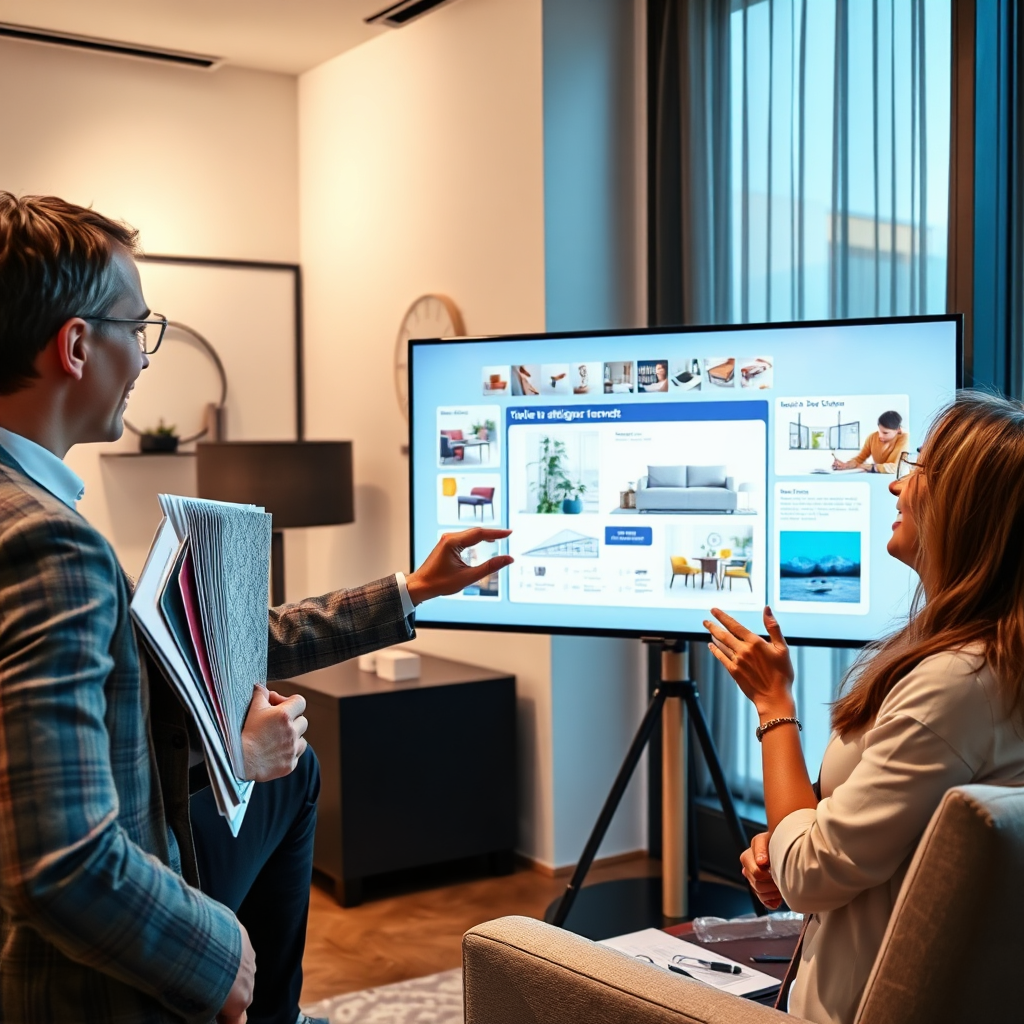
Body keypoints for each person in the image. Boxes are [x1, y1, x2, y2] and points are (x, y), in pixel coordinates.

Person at [0, 192, 512, 1024]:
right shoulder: (50, 545)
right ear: (78, 345)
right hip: (70, 982)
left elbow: (181, 658)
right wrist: (213, 945)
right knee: (291, 776)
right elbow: (57, 857)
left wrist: (409, 592)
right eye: (140, 328)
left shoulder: (28, 513)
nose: (146, 356)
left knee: (291, 772)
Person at [705, 391, 1024, 1024]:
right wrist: (788, 842)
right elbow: (847, 830)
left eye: (920, 469)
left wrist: (774, 704)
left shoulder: (954, 683)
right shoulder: (979, 658)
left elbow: (806, 874)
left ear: (963, 506)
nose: (895, 488)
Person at [831, 409, 907, 473]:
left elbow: (898, 467)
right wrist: (845, 465)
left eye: (885, 433)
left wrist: (871, 467)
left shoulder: (905, 438)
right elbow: (859, 459)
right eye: (879, 431)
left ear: (898, 430)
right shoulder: (872, 437)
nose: (880, 436)